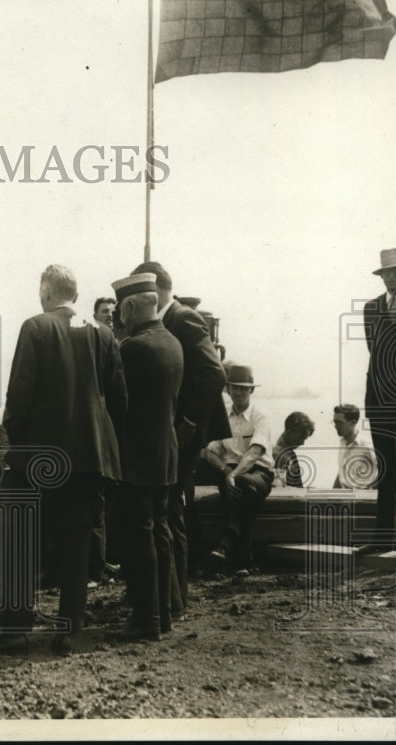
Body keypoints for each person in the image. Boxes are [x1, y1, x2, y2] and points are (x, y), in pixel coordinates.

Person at [0, 264, 126, 656]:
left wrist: (11, 442)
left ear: (47, 292)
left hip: (40, 457)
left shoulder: (35, 327)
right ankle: (70, 628)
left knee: (24, 538)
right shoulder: (104, 334)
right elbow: (118, 400)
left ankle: (16, 629)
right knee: (78, 542)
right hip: (91, 458)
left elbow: (19, 395)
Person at [130, 261, 229, 617]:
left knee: (173, 512)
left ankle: (175, 598)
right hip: (174, 431)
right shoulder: (173, 319)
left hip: (183, 432)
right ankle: (173, 597)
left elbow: (213, 373)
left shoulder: (183, 318)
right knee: (171, 511)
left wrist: (188, 421)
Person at [110, 273, 183, 640]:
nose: (120, 319)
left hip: (137, 458)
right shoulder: (172, 342)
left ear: (134, 306)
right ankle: (164, 616)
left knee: (138, 538)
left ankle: (145, 621)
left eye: (121, 310)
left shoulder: (133, 348)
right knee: (161, 533)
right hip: (165, 454)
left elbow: (116, 404)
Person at [197, 364, 274, 574]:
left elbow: (254, 453)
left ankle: (227, 542)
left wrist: (232, 475)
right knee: (242, 496)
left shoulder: (260, 416)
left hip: (258, 473)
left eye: (244, 388)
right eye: (235, 388)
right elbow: (210, 452)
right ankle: (244, 562)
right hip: (231, 474)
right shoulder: (223, 416)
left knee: (241, 485)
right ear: (228, 390)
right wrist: (225, 471)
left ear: (252, 390)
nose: (239, 393)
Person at [359, 248, 396, 553]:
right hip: (381, 401)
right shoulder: (372, 308)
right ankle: (384, 536)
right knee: (386, 469)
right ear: (381, 275)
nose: (392, 277)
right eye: (387, 272)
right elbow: (379, 351)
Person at [332, 404, 379, 491]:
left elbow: (385, 470)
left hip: (361, 499)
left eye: (340, 423)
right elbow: (342, 473)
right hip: (344, 497)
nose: (335, 426)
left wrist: (370, 490)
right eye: (335, 422)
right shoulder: (342, 442)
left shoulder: (366, 444)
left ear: (353, 422)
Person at [271, 412, 315, 489]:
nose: (302, 443)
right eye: (301, 438)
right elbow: (278, 489)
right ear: (290, 432)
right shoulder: (278, 455)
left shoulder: (289, 453)